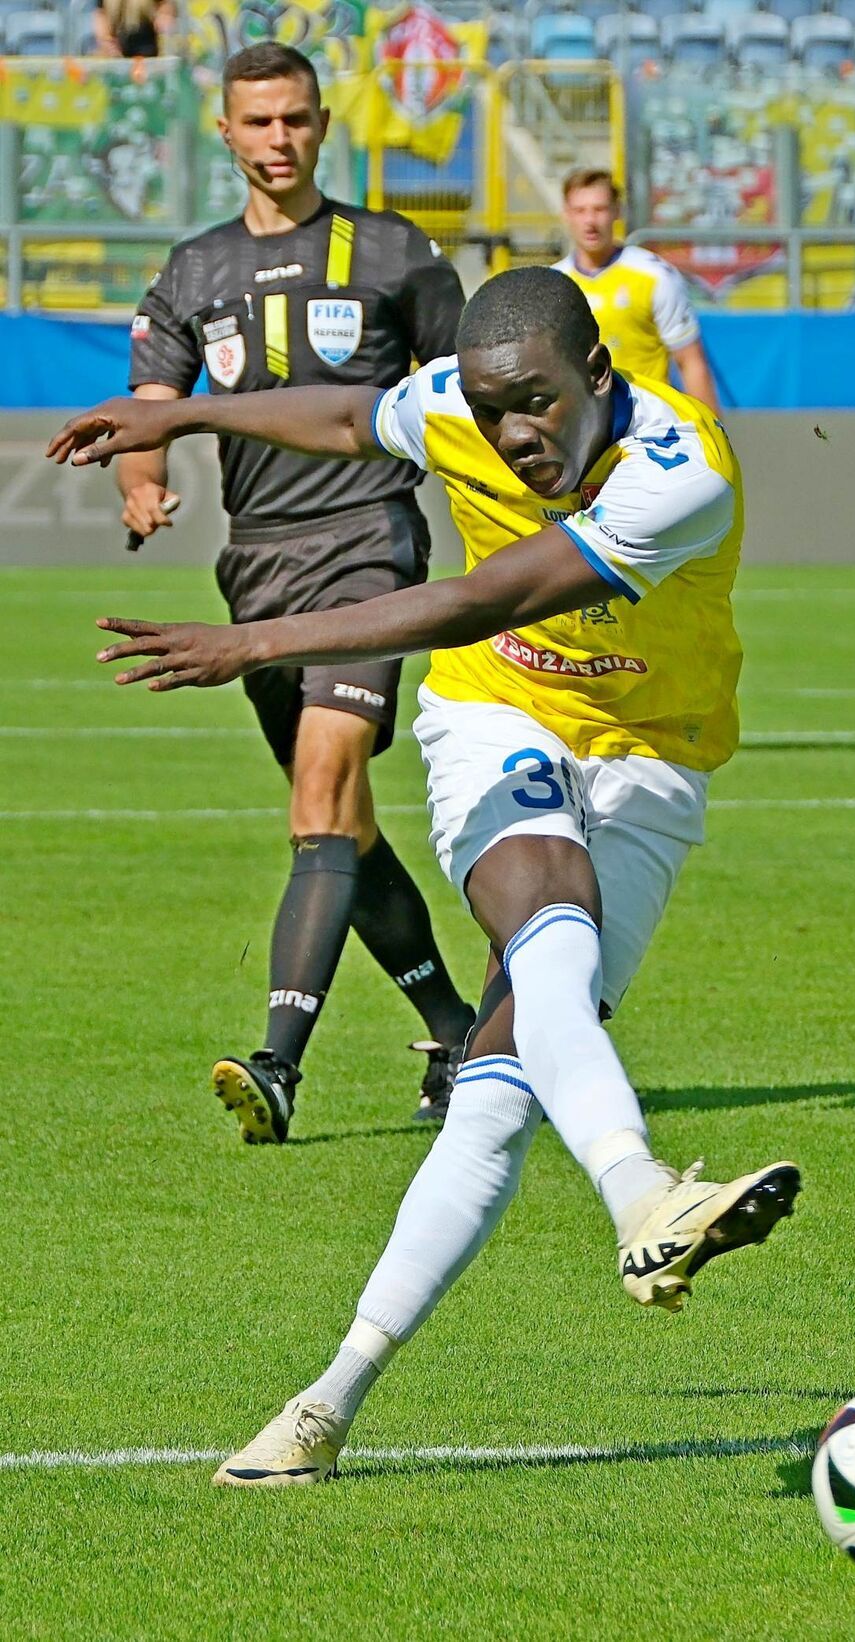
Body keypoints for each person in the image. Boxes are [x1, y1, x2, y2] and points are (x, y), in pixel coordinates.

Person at [49, 264, 801, 1487]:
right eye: (497, 410)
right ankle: (642, 1195)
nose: (516, 436)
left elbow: (479, 593)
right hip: (498, 715)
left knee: (501, 1091)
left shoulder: (683, 469)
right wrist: (181, 413)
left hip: (655, 754)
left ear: (598, 376)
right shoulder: (459, 396)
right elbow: (353, 414)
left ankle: (324, 1404)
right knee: (547, 907)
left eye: (542, 407)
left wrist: (258, 641)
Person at [121, 41, 475, 1142]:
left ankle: (278, 1064)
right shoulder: (193, 272)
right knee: (345, 825)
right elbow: (148, 408)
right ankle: (461, 1032)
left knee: (321, 787)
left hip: (367, 543)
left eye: (297, 121)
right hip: (259, 564)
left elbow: (467, 392)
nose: (280, 141)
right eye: (259, 123)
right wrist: (143, 487)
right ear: (223, 134)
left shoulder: (394, 252)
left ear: (325, 126)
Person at [554, 167, 721, 412]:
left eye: (599, 209)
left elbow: (690, 362)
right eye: (580, 211)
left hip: (645, 424)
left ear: (616, 212)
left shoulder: (654, 276)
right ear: (566, 214)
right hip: (580, 426)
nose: (590, 221)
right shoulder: (555, 283)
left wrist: (713, 436)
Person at [93, 0, 175, 58]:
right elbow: (100, 12)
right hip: (118, 49)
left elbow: (165, 5)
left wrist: (163, 15)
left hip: (146, 47)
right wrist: (105, 39)